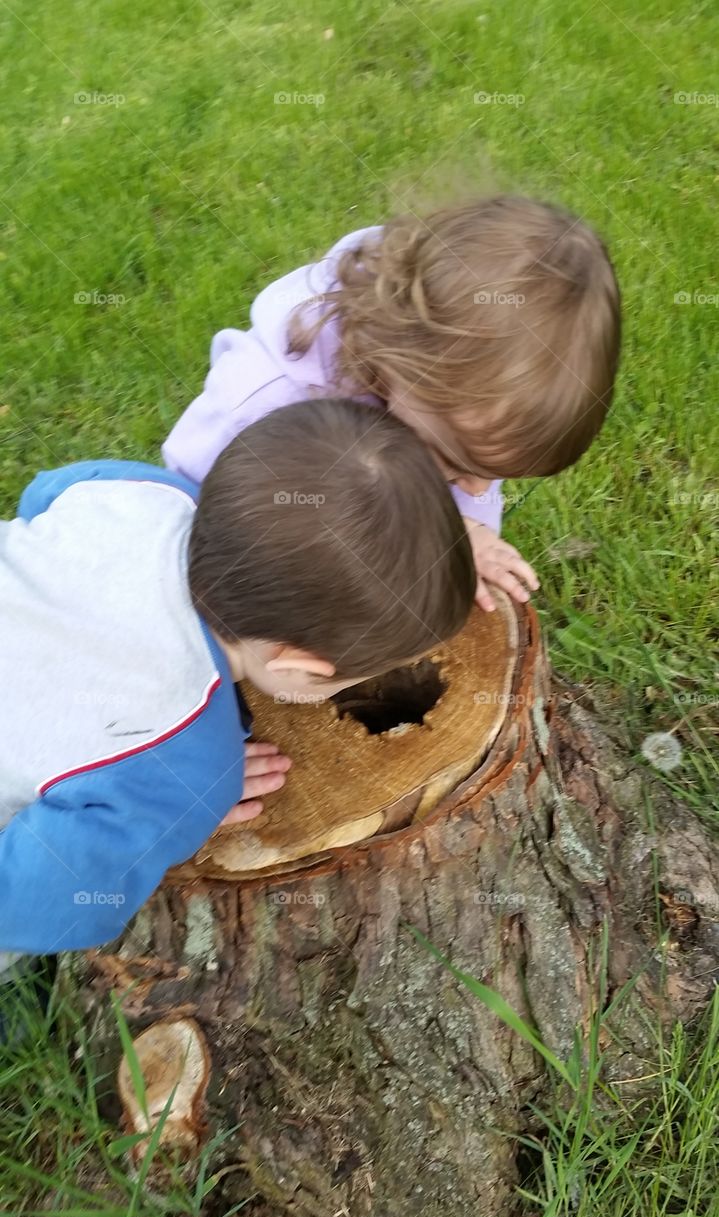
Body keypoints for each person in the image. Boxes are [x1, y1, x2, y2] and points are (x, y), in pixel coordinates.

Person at [0, 399, 475, 959]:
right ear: (299, 667)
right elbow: (42, 907)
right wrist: (172, 811)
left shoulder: (143, 492)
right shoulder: (179, 755)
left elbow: (46, 494)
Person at [163, 195, 621, 613]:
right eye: (457, 465)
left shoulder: (453, 401)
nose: (481, 489)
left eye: (490, 472)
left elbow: (461, 475)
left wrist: (464, 527)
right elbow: (189, 513)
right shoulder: (260, 408)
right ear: (399, 361)